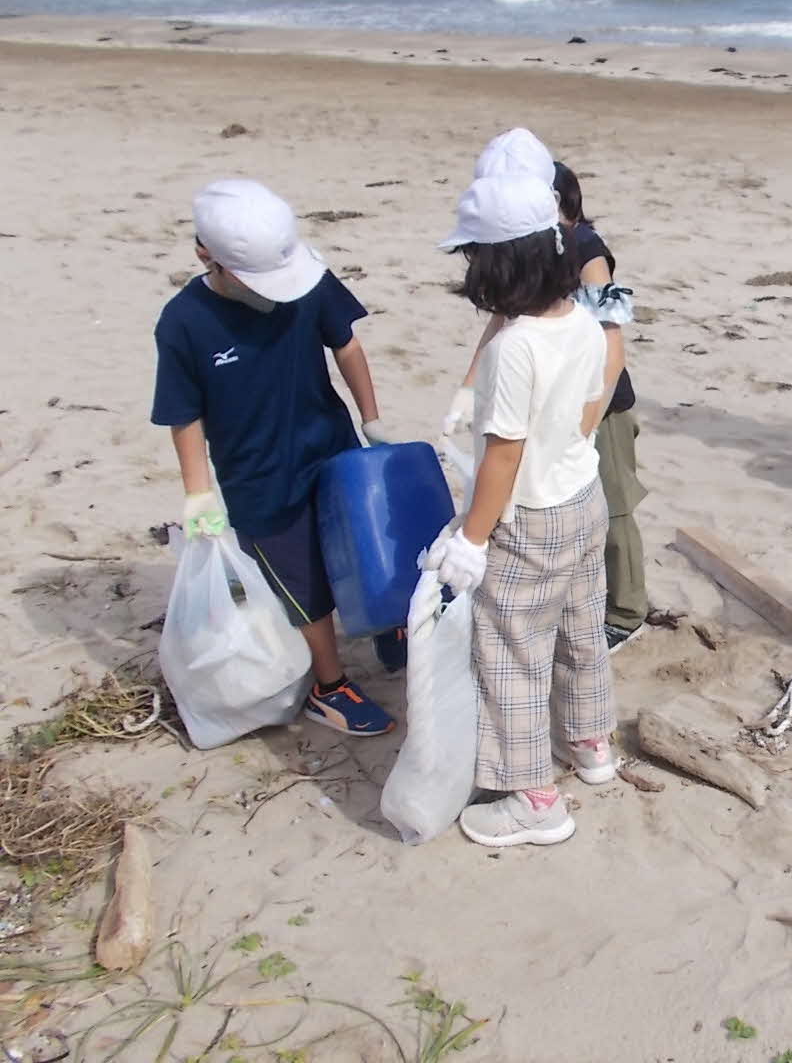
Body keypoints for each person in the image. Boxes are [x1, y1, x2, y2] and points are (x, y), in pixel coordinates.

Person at [152, 178, 398, 737]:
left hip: (329, 444)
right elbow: (182, 413)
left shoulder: (309, 282)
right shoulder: (184, 321)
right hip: (258, 476)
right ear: (204, 255)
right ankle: (329, 685)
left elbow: (347, 346)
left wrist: (371, 417)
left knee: (360, 547)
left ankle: (388, 628)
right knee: (303, 582)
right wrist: (197, 491)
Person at [428, 170, 616, 849]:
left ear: (497, 264)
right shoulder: (585, 325)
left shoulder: (513, 350)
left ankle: (534, 798)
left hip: (529, 517)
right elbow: (588, 410)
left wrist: (471, 540)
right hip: (583, 499)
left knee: (510, 651)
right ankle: (590, 743)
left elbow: (502, 457)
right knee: (581, 625)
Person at [443, 130, 645, 651]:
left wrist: (581, 425)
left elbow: (611, 344)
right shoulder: (519, 256)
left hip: (596, 402)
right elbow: (500, 321)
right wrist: (468, 388)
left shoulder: (582, 250)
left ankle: (625, 610)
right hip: (542, 396)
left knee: (614, 505)